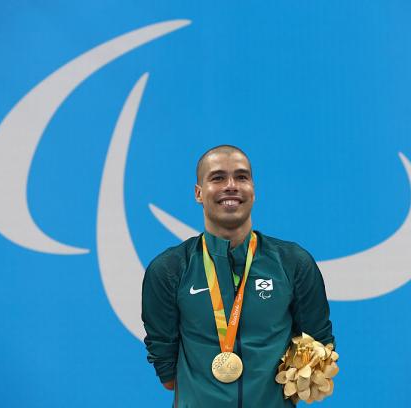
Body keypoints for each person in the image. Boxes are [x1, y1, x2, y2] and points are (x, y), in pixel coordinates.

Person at [142, 145, 334, 407]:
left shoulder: (292, 263)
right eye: (218, 177)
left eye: (241, 177)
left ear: (253, 191)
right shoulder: (169, 269)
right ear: (199, 193)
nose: (231, 185)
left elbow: (318, 349)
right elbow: (167, 371)